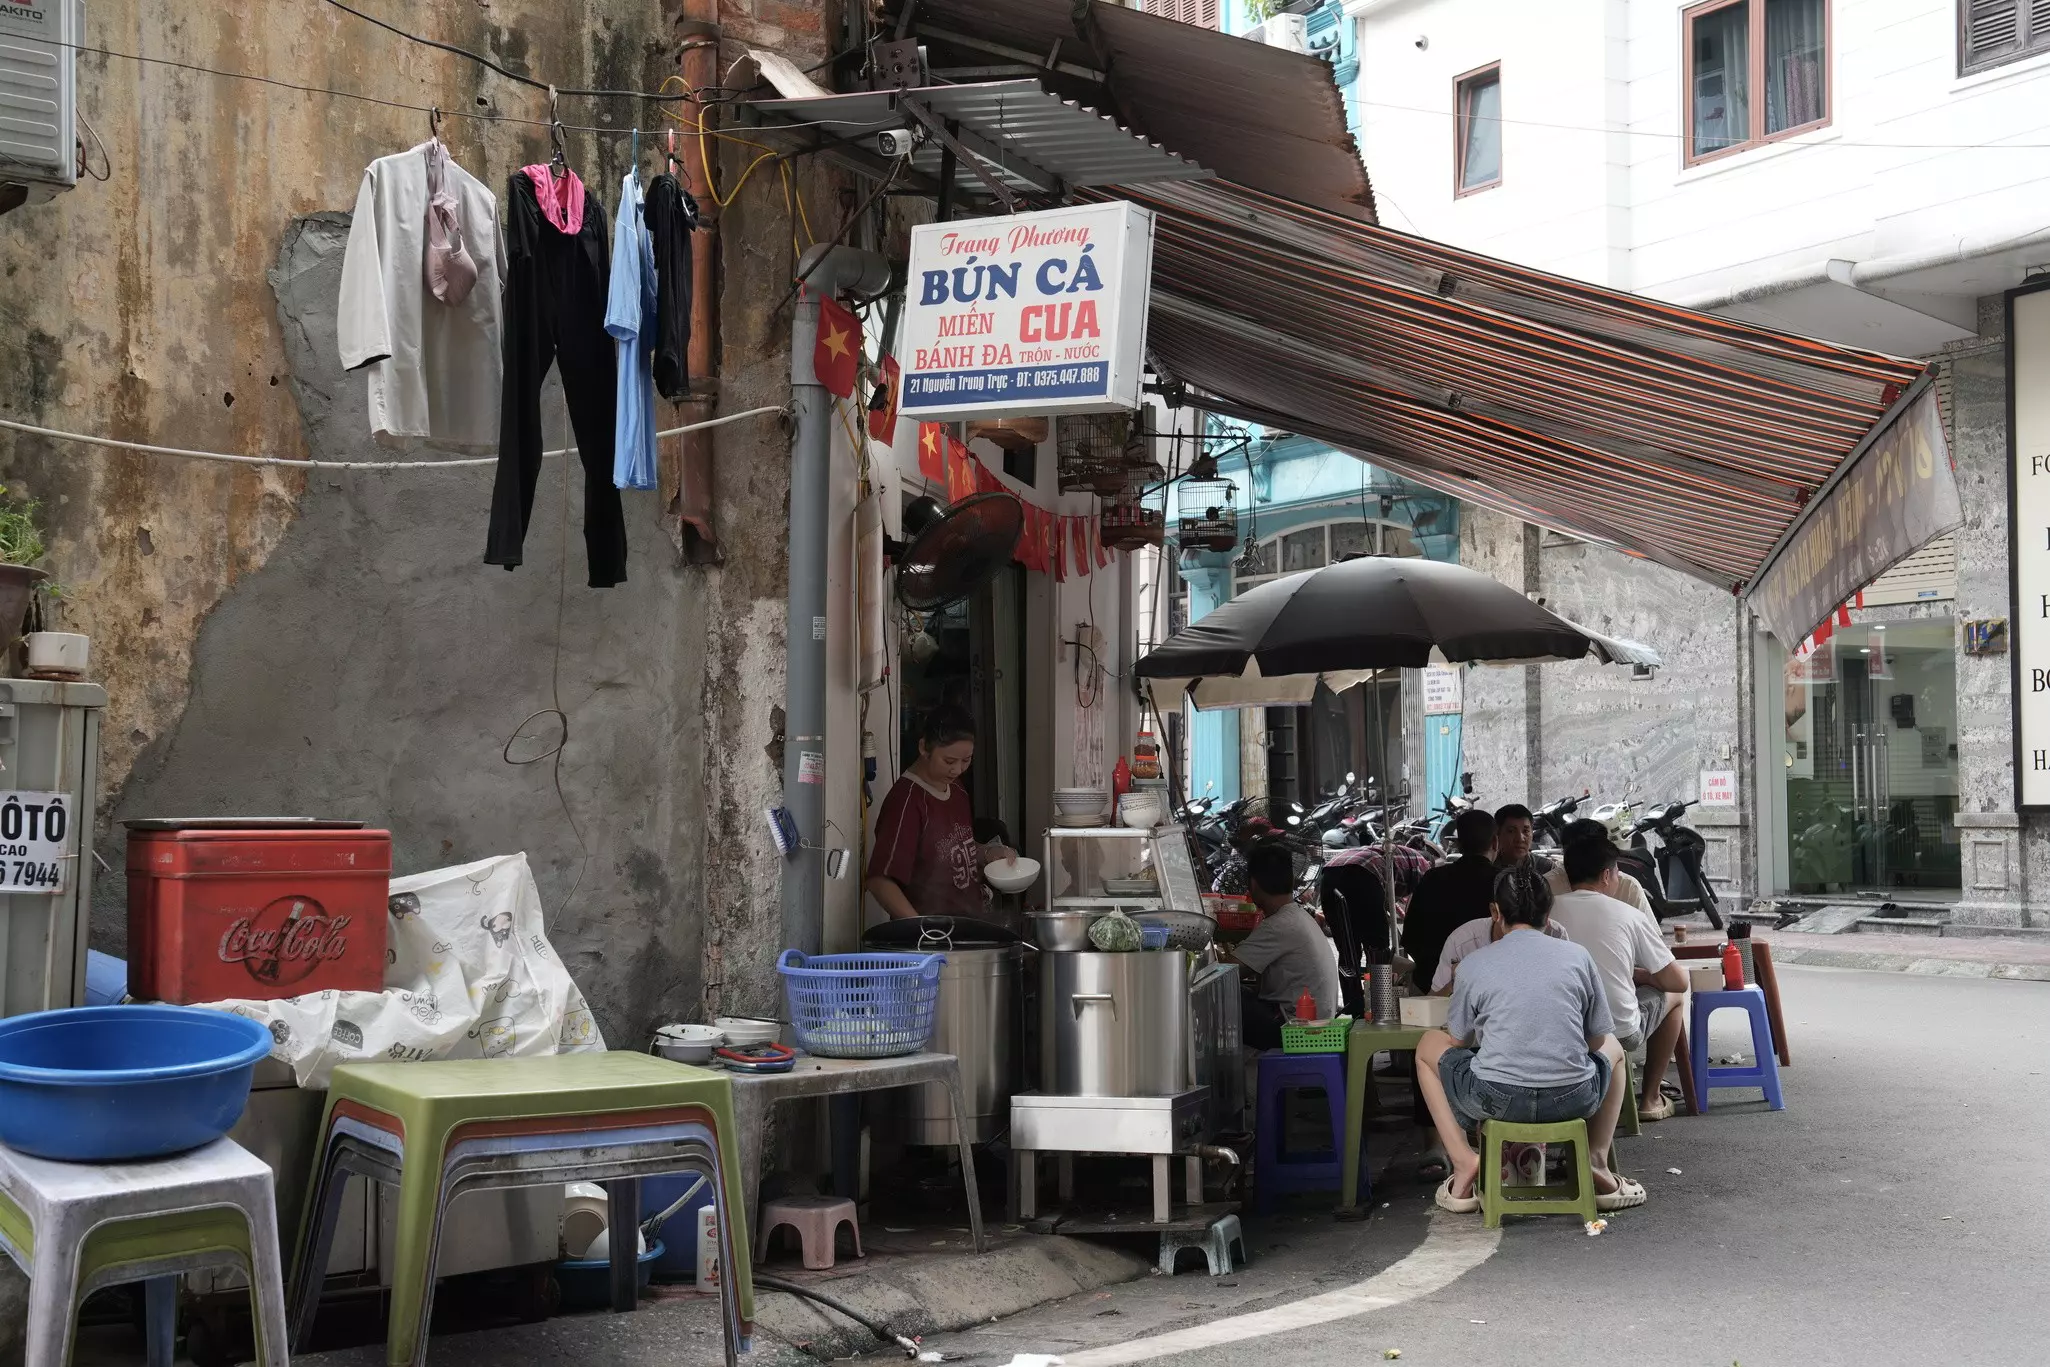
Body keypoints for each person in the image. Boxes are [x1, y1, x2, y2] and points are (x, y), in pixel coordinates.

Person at [1415, 864, 1644, 1213]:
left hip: (1495, 1099)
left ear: (1496, 911)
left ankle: (1464, 1163)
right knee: (1615, 1047)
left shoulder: (1474, 963)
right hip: (1574, 1099)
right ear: (1549, 914)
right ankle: (1597, 1163)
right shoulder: (1578, 956)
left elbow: (1458, 1041)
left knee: (1427, 1046)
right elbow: (1597, 1041)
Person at [1548, 835, 1688, 1122]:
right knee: (1674, 998)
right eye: (1617, 872)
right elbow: (1678, 981)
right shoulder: (1627, 913)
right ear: (1606, 875)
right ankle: (1649, 1099)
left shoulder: (1543, 911)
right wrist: (1643, 977)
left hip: (1554, 1032)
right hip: (1618, 1034)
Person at [866, 706, 1012, 920]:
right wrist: (920, 930)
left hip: (967, 928)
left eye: (967, 760)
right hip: (931, 939)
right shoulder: (906, 802)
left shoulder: (957, 789)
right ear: (924, 747)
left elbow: (952, 850)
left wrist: (988, 853)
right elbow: (879, 881)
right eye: (949, 761)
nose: (958, 770)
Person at [1228, 841, 1343, 1049]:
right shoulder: (1298, 915)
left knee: (1219, 994)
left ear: (1253, 884)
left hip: (1296, 1028)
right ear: (1292, 880)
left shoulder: (1278, 924)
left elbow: (1227, 971)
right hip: (1315, 1021)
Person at [1401, 808, 1502, 994]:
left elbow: (1410, 938)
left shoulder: (1432, 879)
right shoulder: (1503, 883)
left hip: (1430, 987)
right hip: (1491, 991)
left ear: (1458, 844)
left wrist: (1434, 969)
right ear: (1495, 842)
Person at [1429, 866, 1572, 993]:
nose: (1523, 940)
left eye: (1532, 929)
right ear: (1494, 913)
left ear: (1547, 917)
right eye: (1517, 929)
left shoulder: (1556, 935)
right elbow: (1431, 1003)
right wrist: (1455, 983)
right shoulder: (1463, 942)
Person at [1546, 818, 1654, 919]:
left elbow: (1650, 935)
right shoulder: (1546, 887)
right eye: (1576, 852)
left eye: (1594, 849)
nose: (1583, 857)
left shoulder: (1629, 887)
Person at [1493, 804, 1555, 876]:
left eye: (1525, 831)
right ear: (1498, 834)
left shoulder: (1546, 869)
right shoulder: (1487, 870)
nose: (1520, 839)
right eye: (1511, 831)